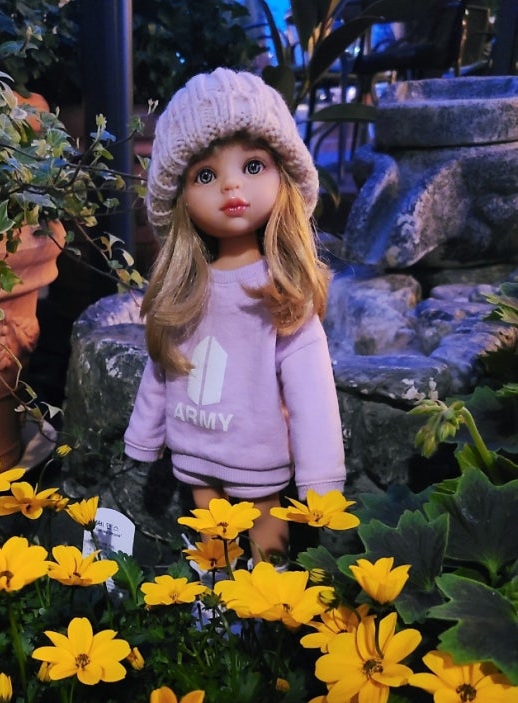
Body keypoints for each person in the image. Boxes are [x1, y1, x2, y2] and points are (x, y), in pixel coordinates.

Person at [123, 67, 346, 568]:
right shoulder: (186, 286)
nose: (230, 185)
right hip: (194, 448)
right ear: (179, 198)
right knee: (212, 544)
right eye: (205, 175)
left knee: (268, 540)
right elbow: (163, 365)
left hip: (257, 457)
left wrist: (320, 475)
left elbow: (311, 388)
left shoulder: (280, 290)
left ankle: (267, 605)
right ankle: (215, 606)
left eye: (253, 165)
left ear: (285, 176)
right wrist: (144, 435)